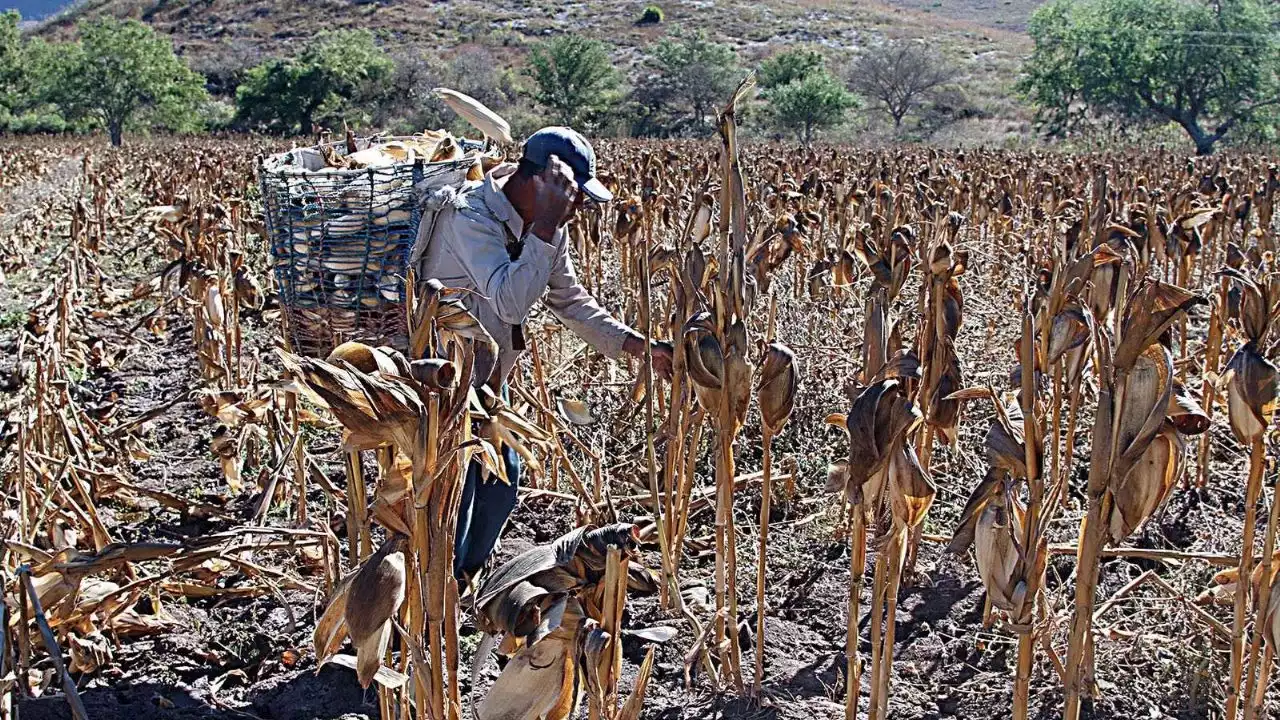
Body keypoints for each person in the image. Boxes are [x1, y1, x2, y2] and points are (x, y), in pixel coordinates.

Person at [414, 126, 673, 580]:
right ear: (540, 182)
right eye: (571, 195)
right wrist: (547, 225)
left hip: (489, 385)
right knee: (456, 498)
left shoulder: (548, 229)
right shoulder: (469, 218)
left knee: (500, 485)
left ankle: (464, 581)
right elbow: (509, 300)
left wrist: (639, 346)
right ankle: (435, 594)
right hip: (444, 386)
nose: (577, 209)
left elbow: (569, 300)